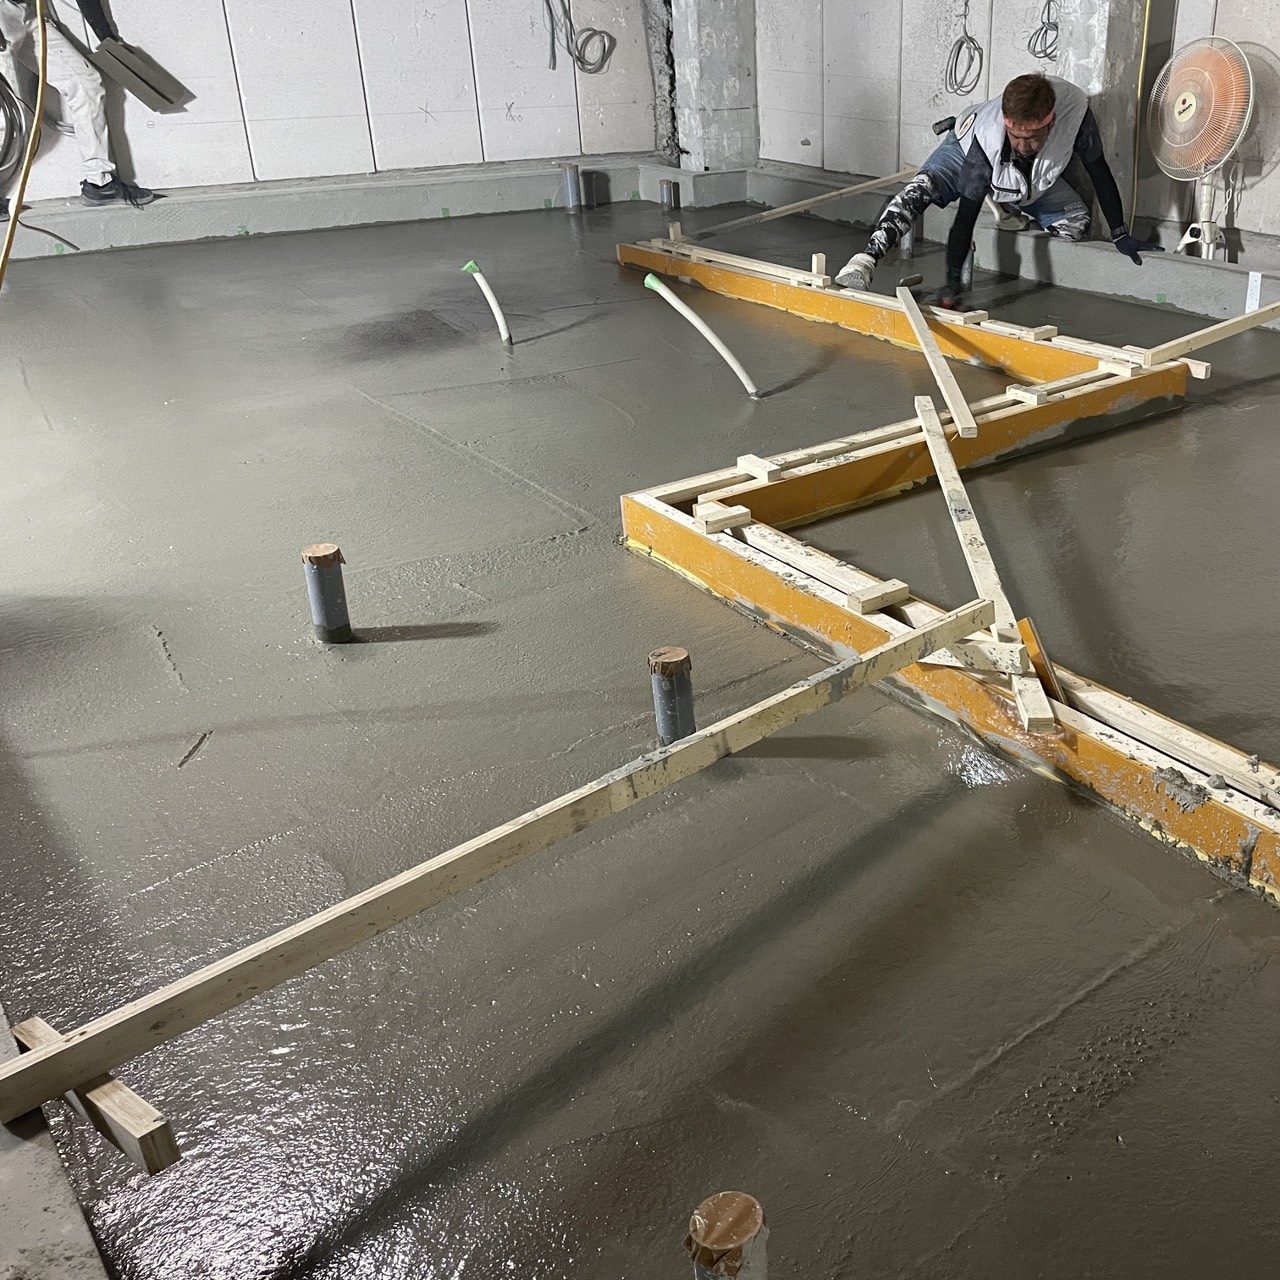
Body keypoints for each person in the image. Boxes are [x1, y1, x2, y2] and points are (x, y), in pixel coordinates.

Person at [834, 73, 1160, 307]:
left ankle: (1007, 203)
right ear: (1007, 123)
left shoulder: (1075, 113)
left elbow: (1098, 169)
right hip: (965, 147)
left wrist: (1120, 233)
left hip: (1028, 181)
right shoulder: (986, 140)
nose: (1023, 145)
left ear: (1051, 122)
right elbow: (965, 219)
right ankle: (866, 260)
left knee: (1075, 226)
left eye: (1032, 138)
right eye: (1017, 137)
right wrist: (951, 284)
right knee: (919, 191)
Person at [0, 0, 154, 220]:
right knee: (5, 118)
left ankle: (100, 182)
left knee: (85, 83)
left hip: (26, 13)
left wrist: (107, 37)